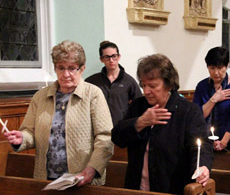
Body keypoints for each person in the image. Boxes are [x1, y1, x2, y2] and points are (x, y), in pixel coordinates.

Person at [4, 40, 114, 186]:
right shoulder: (40, 97)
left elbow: (105, 137)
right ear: (55, 68)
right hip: (46, 177)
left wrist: (92, 169)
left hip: (82, 178)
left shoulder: (93, 94)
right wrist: (21, 139)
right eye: (61, 68)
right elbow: (29, 131)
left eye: (72, 68)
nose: (66, 74)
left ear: (82, 69)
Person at [112, 54, 213, 194]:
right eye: (143, 85)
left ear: (169, 84)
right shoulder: (137, 106)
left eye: (152, 86)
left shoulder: (188, 111)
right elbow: (117, 137)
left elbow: (201, 146)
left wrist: (202, 166)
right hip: (137, 188)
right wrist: (140, 122)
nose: (146, 91)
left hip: (171, 187)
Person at [193, 47, 230, 152]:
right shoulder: (202, 86)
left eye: (220, 68)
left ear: (227, 65)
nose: (216, 72)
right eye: (212, 68)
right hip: (208, 141)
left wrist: (223, 142)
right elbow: (197, 116)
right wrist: (213, 99)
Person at [86, 41, 142, 125]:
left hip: (121, 129)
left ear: (119, 57)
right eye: (107, 57)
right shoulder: (92, 81)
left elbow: (139, 105)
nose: (111, 60)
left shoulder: (129, 81)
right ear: (101, 59)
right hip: (97, 127)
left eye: (114, 56)